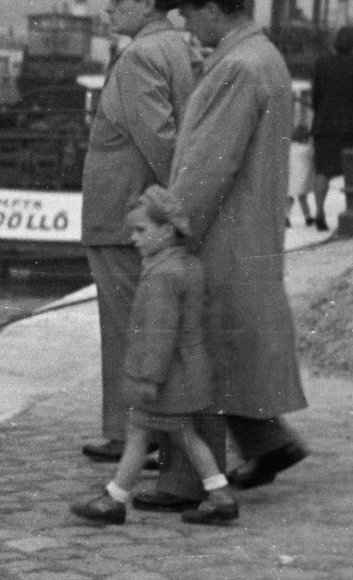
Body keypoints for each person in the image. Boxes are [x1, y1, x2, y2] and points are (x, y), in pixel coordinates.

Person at [78, 0, 214, 509]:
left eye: (123, 0)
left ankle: (129, 434)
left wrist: (171, 209)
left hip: (123, 216)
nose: (111, 8)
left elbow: (159, 140)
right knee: (148, 324)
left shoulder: (137, 57)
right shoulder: (182, 47)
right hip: (141, 212)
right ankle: (136, 430)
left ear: (151, 3)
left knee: (127, 327)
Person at [168, 0, 309, 492]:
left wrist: (174, 225)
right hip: (253, 219)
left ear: (212, 9)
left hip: (226, 226)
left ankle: (234, 455)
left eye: (188, 12)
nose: (185, 24)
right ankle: (265, 440)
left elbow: (210, 162)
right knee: (236, 336)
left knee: (215, 336)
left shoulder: (237, 68)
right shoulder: (262, 57)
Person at [71, 186, 237, 526]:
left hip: (169, 374)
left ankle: (115, 498)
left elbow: (157, 336)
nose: (133, 238)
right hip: (185, 370)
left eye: (141, 230)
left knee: (150, 432)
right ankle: (217, 494)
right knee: (173, 434)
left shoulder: (162, 276)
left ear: (167, 230)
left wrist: (148, 378)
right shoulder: (186, 266)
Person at [309, 24, 353, 231]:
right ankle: (352, 213)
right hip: (351, 125)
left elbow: (315, 95)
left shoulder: (322, 62)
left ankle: (319, 212)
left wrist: (323, 112)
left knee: (322, 170)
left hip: (325, 124)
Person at [288, 121, 315, 227]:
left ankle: (286, 217)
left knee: (289, 199)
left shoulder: (289, 148)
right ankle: (308, 217)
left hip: (290, 177)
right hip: (302, 178)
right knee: (303, 199)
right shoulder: (308, 149)